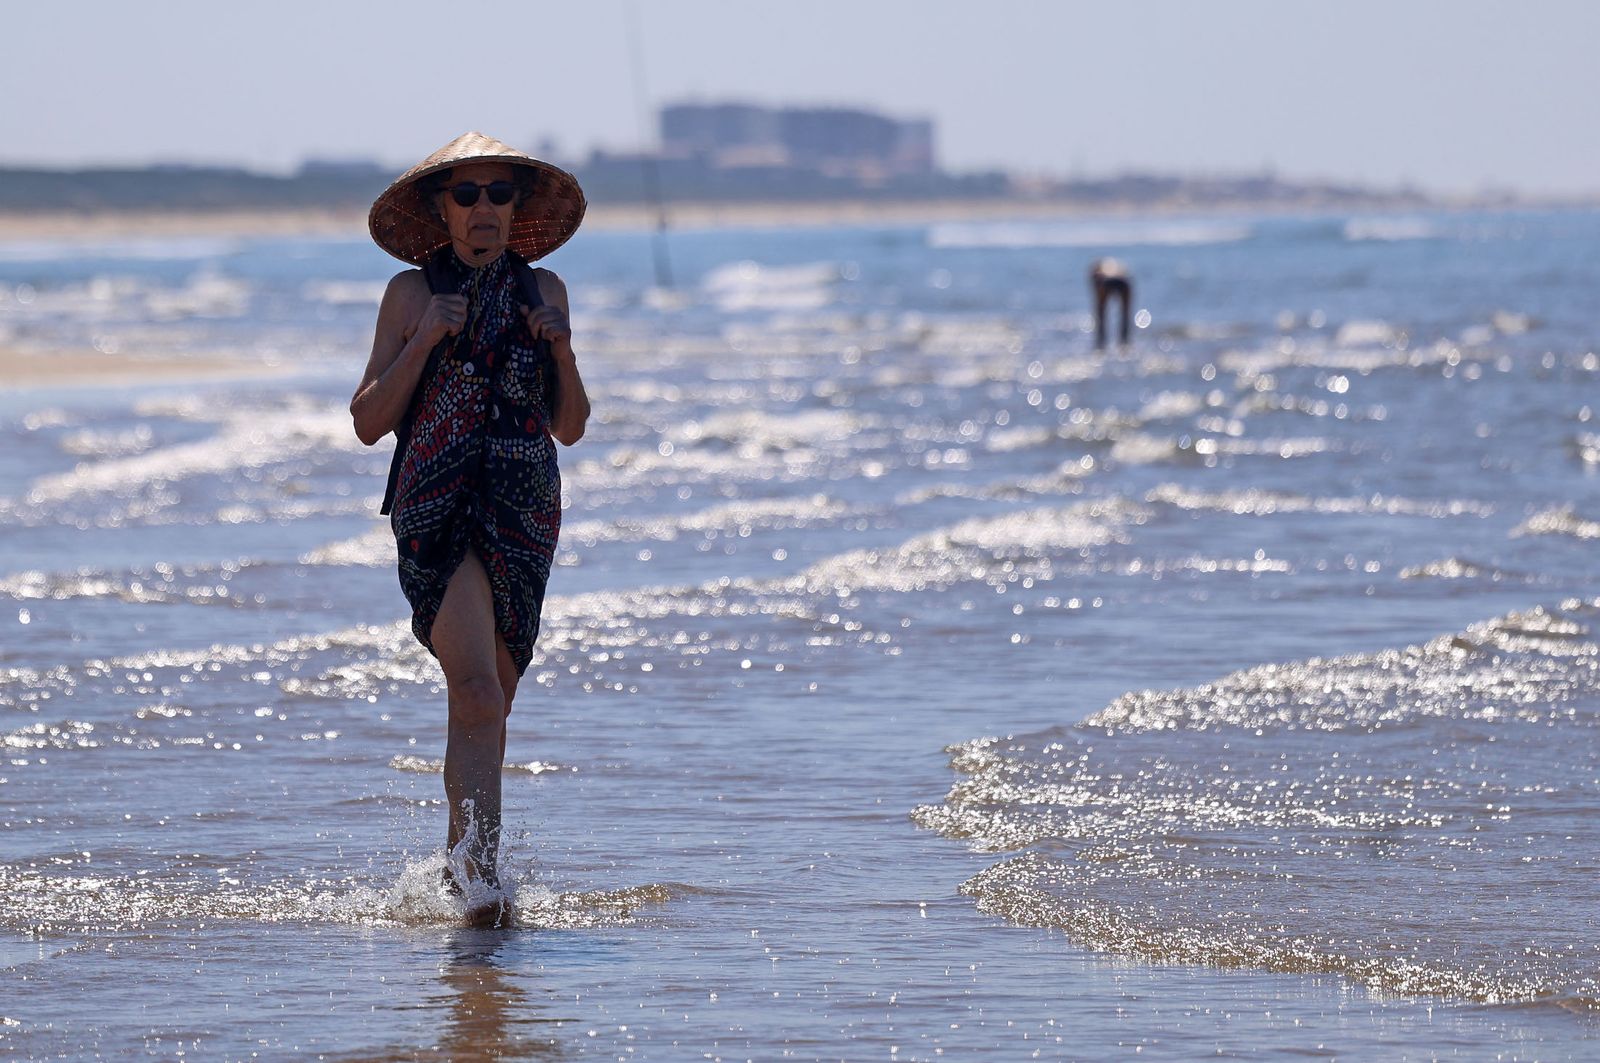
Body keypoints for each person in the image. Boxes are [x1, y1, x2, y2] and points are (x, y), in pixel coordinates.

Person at [350, 132, 591, 927]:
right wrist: (425, 339)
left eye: (499, 193)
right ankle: (480, 883)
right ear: (438, 209)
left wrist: (562, 349)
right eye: (466, 193)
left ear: (517, 208)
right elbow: (366, 420)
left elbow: (572, 426)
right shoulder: (408, 296)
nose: (483, 208)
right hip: (436, 508)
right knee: (478, 690)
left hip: (525, 511)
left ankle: (463, 876)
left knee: (491, 703)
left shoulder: (545, 290)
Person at [1089, 257, 1133, 349]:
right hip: (1123, 282)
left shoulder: (1097, 268)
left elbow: (1095, 279)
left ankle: (1101, 343)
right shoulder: (1118, 266)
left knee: (1101, 314)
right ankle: (1124, 344)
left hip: (1105, 281)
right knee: (1125, 315)